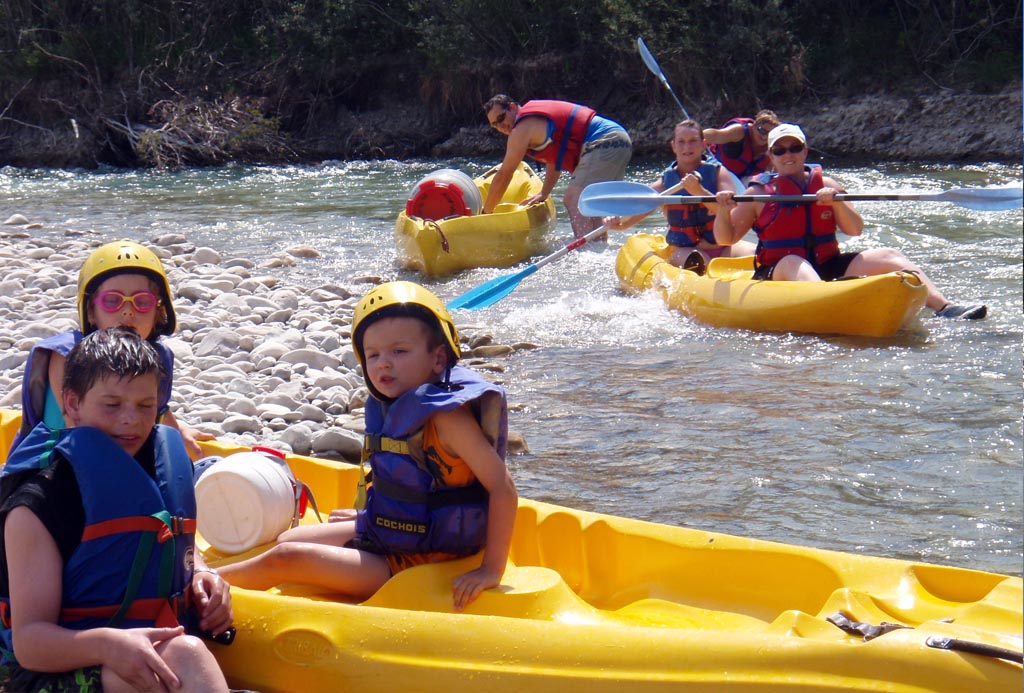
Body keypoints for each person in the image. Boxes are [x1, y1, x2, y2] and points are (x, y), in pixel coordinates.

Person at [219, 281, 518, 612]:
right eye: (373, 354)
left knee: (286, 557)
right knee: (287, 539)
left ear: (438, 359)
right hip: (388, 534)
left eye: (399, 351)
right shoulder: (391, 405)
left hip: (422, 557)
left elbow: (503, 487)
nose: (383, 364)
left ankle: (198, 585)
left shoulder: (449, 419)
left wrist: (491, 569)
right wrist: (370, 515)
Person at [0, 327, 233, 692]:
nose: (131, 420)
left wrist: (203, 574)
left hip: (150, 636)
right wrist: (110, 645)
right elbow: (30, 644)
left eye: (145, 406)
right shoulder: (39, 503)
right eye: (112, 405)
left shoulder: (162, 466)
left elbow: (170, 542)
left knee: (184, 653)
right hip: (48, 668)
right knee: (186, 656)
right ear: (72, 404)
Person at [713, 124, 987, 319]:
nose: (788, 155)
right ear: (771, 156)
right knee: (794, 262)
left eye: (794, 147)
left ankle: (945, 308)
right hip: (778, 269)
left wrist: (837, 202)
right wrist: (723, 210)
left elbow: (854, 230)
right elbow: (725, 239)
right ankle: (831, 306)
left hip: (827, 264)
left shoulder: (828, 185)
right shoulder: (757, 194)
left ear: (805, 151)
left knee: (890, 255)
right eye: (780, 150)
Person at [11, 240, 214, 458]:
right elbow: (78, 429)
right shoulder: (67, 356)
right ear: (90, 311)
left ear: (158, 311)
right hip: (57, 464)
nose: (128, 311)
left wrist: (179, 432)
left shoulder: (154, 358)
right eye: (112, 301)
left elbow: (157, 408)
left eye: (142, 302)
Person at [607, 119, 756, 271]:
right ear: (673, 146)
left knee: (754, 254)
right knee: (697, 261)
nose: (687, 147)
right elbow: (639, 209)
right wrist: (619, 224)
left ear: (703, 144)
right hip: (684, 251)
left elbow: (727, 212)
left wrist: (699, 192)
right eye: (681, 142)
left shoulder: (719, 173)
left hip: (722, 247)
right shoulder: (665, 183)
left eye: (693, 141)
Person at [483, 94, 632, 238]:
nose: (501, 126)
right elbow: (554, 160)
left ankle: (585, 252)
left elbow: (504, 175)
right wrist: (544, 192)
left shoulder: (521, 129)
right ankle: (599, 248)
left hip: (604, 140)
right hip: (620, 140)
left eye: (501, 118)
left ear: (513, 107)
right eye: (494, 124)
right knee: (589, 204)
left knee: (573, 198)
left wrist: (485, 214)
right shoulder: (534, 125)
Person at [703, 109, 781, 183]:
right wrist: (695, 139)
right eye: (761, 130)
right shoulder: (739, 132)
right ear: (754, 126)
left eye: (769, 133)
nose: (764, 136)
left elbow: (778, 171)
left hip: (742, 180)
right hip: (716, 168)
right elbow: (715, 135)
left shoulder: (772, 147)